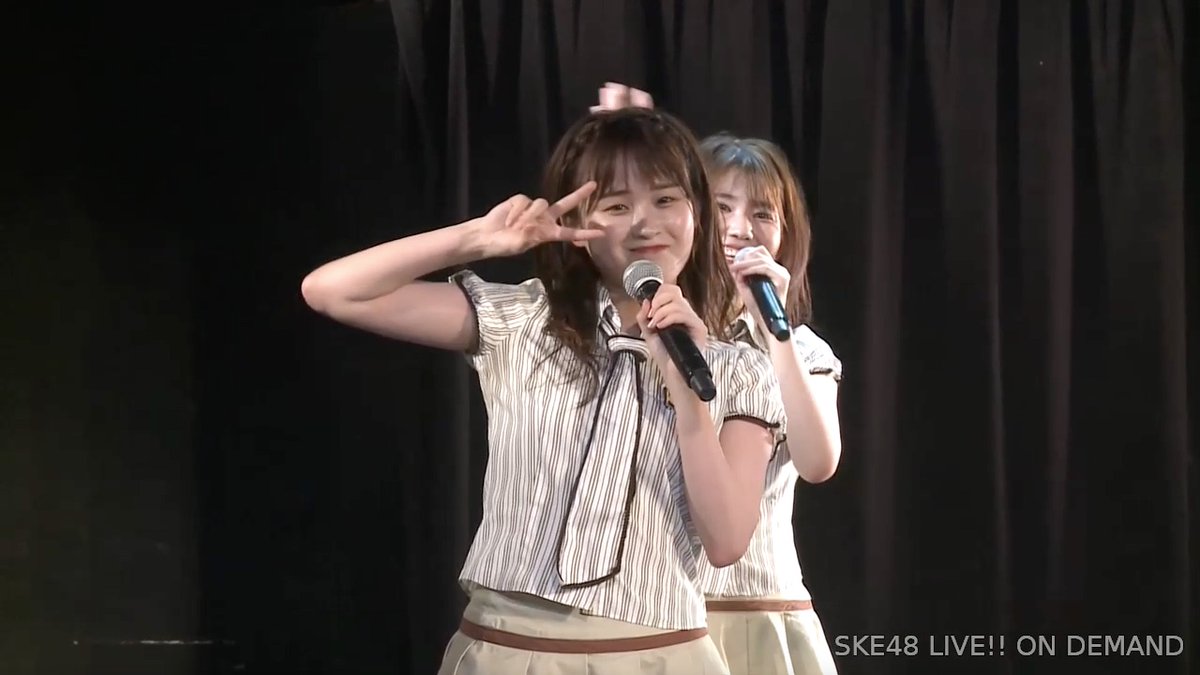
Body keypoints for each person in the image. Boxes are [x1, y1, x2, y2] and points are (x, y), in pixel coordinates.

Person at [300, 107, 788, 675]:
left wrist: (689, 400)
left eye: (665, 199)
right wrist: (476, 238)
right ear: (578, 225)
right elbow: (332, 291)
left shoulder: (738, 369)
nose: (645, 224)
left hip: (661, 654)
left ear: (696, 213)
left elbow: (727, 543)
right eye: (616, 206)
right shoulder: (523, 321)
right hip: (504, 649)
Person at [593, 84, 845, 675]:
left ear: (786, 234)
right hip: (652, 612)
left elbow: (818, 461)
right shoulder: (653, 329)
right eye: (723, 207)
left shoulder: (802, 348)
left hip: (760, 611)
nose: (740, 228)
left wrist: (774, 334)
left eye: (763, 213)